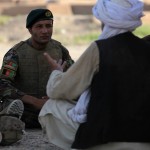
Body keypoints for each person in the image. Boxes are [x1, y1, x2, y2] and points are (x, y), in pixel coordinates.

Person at [39, 0, 150, 150]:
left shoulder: (100, 49)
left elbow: (59, 91)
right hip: (145, 140)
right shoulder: (146, 48)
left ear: (104, 20)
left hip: (104, 139)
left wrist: (56, 73)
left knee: (52, 106)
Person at [0, 8, 74, 143]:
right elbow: (3, 85)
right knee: (8, 120)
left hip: (52, 111)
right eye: (39, 26)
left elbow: (76, 77)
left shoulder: (60, 51)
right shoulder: (16, 53)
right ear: (30, 30)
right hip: (24, 112)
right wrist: (35, 102)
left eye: (48, 26)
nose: (45, 31)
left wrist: (58, 95)